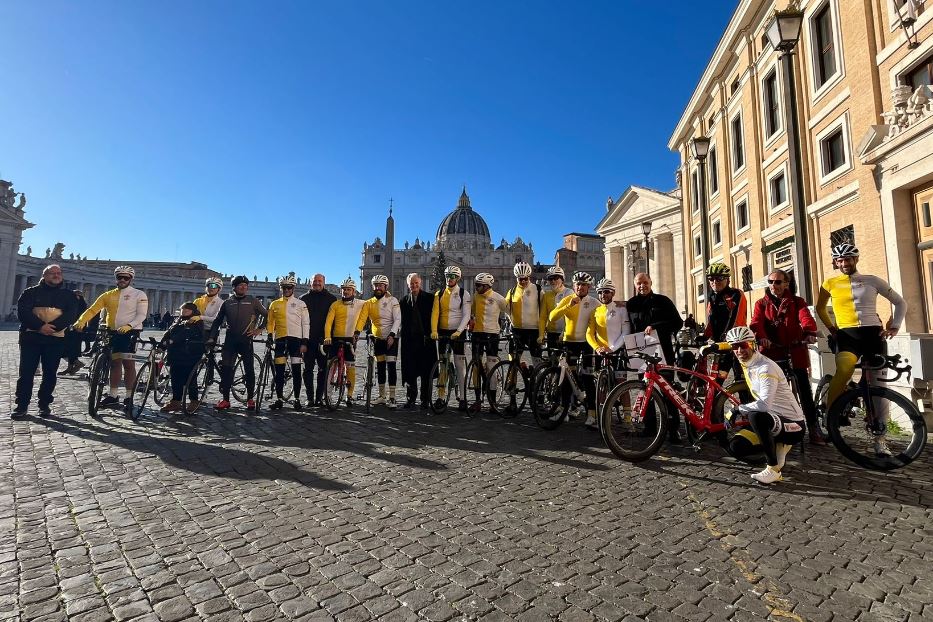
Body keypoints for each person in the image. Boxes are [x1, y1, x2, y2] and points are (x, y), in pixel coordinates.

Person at [815, 243, 906, 456]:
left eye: (848, 259)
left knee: (878, 388)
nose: (844, 264)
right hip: (847, 336)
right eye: (840, 260)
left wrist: (894, 326)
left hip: (873, 335)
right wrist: (831, 327)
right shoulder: (830, 282)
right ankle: (830, 413)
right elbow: (820, 308)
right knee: (845, 369)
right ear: (835, 263)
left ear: (856, 259)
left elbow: (900, 303)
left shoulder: (872, 280)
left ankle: (880, 439)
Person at [720, 326, 806, 485]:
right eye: (734, 346)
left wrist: (737, 409)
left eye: (743, 345)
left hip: (793, 424)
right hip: (773, 420)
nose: (739, 350)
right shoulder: (746, 363)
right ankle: (777, 444)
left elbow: (764, 405)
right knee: (735, 447)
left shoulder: (765, 367)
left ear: (752, 344)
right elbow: (723, 345)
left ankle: (773, 469)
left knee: (755, 414)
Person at [750, 268, 824, 445]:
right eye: (770, 282)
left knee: (804, 390)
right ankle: (773, 426)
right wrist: (762, 337)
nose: (773, 285)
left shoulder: (797, 302)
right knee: (770, 391)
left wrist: (808, 331)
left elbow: (805, 317)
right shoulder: (761, 303)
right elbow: (756, 322)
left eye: (777, 282)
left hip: (794, 350)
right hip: (771, 352)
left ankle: (813, 427)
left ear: (786, 283)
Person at [74, 266, 148, 414]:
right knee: (114, 364)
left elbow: (141, 315)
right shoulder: (107, 295)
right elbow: (93, 310)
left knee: (128, 364)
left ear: (131, 279)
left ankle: (128, 396)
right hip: (111, 331)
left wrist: (130, 325)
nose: (122, 280)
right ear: (116, 278)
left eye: (126, 277)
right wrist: (81, 321)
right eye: (119, 277)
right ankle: (113, 395)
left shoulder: (139, 294)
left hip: (130, 332)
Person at [12, 265, 81, 418]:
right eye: (52, 273)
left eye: (59, 273)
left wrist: (52, 328)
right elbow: (23, 312)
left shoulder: (69, 295)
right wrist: (40, 326)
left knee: (50, 373)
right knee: (26, 372)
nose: (56, 275)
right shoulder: (30, 292)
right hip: (31, 338)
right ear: (44, 276)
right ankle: (21, 405)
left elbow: (71, 315)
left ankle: (44, 404)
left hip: (55, 339)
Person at [208, 275, 267, 411]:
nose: (243, 288)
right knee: (227, 370)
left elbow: (267, 315)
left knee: (249, 369)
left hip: (246, 340)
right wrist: (212, 337)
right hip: (231, 340)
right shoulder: (227, 303)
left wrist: (259, 328)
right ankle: (225, 400)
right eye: (240, 285)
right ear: (234, 287)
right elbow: (217, 321)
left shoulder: (253, 301)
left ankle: (250, 398)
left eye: (245, 286)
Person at [549, 271, 600, 428]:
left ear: (589, 286)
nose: (580, 287)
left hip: (586, 344)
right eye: (578, 284)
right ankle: (564, 410)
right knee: (566, 379)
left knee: (587, 378)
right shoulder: (567, 299)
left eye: (584, 284)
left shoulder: (594, 303)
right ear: (574, 285)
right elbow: (552, 316)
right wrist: (568, 306)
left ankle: (592, 413)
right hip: (569, 343)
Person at [430, 266, 472, 411]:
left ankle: (463, 397)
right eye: (448, 276)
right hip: (443, 332)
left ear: (458, 278)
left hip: (458, 333)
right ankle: (441, 397)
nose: (450, 279)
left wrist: (459, 331)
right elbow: (435, 313)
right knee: (443, 366)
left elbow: (466, 314)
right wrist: (434, 330)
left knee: (460, 366)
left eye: (453, 276)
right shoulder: (439, 293)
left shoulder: (463, 293)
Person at [266, 275, 310, 410]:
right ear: (281, 288)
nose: (286, 290)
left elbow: (306, 323)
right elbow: (270, 322)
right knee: (279, 372)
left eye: (289, 287)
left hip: (296, 341)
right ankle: (279, 399)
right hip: (280, 340)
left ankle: (297, 399)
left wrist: (305, 342)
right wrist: (269, 335)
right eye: (284, 287)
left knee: (296, 371)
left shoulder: (300, 303)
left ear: (293, 288)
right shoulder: (274, 304)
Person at [323, 277, 368, 407]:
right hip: (335, 339)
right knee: (331, 368)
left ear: (354, 291)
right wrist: (327, 336)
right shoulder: (335, 304)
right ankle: (328, 395)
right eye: (344, 290)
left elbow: (372, 303)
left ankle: (349, 395)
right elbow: (328, 322)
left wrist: (358, 331)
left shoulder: (360, 303)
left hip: (350, 339)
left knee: (350, 368)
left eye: (348, 290)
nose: (345, 292)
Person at [360, 275, 402, 409]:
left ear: (386, 287)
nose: (378, 287)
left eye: (380, 285)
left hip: (391, 338)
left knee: (391, 367)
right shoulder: (369, 302)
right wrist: (357, 332)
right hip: (377, 339)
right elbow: (362, 319)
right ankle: (382, 396)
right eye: (375, 285)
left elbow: (397, 319)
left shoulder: (393, 300)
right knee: (381, 367)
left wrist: (392, 335)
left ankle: (393, 398)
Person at [626, 273, 683, 366]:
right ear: (635, 285)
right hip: (641, 353)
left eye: (645, 282)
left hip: (663, 352)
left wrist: (655, 327)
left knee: (665, 380)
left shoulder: (663, 301)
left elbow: (677, 323)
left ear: (651, 283)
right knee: (643, 380)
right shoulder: (630, 304)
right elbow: (628, 327)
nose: (642, 286)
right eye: (639, 283)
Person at [470, 273, 508, 412]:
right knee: (475, 366)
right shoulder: (474, 297)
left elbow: (509, 312)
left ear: (487, 286)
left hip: (492, 335)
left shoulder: (498, 298)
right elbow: (470, 312)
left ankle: (492, 401)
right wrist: (471, 319)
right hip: (477, 334)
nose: (477, 287)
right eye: (476, 285)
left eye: (479, 285)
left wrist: (513, 329)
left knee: (492, 366)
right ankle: (477, 399)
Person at [159, 302, 205, 414]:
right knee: (175, 378)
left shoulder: (196, 321)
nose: (184, 312)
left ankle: (194, 400)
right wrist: (161, 345)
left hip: (190, 353)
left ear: (192, 311)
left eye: (187, 310)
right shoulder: (177, 321)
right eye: (182, 309)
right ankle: (176, 400)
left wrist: (173, 340)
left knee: (190, 377)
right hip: (176, 354)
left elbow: (187, 333)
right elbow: (169, 332)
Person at [400, 273, 436, 409]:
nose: (414, 285)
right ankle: (411, 398)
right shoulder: (403, 301)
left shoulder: (430, 298)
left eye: (416, 283)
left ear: (420, 283)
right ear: (408, 285)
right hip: (410, 341)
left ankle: (425, 399)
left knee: (426, 371)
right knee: (410, 371)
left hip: (426, 341)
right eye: (411, 284)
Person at [300, 273, 337, 408]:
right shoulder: (303, 299)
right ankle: (310, 398)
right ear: (311, 283)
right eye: (314, 281)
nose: (317, 283)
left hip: (324, 342)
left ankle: (319, 397)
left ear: (324, 283)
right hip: (308, 341)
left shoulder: (332, 299)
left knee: (323, 370)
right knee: (307, 370)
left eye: (319, 281)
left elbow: (334, 322)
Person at [505, 261, 545, 367]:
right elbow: (505, 307)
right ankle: (512, 381)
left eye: (525, 279)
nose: (523, 281)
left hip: (534, 330)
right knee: (513, 360)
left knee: (537, 361)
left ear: (529, 277)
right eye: (520, 279)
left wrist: (543, 331)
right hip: (517, 330)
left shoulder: (538, 289)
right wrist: (511, 320)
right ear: (516, 278)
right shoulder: (512, 291)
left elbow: (544, 310)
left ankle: (537, 381)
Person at [587, 278, 631, 356]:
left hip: (617, 351)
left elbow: (626, 331)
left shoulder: (622, 309)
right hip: (600, 352)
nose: (603, 295)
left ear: (613, 293)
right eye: (600, 292)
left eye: (606, 292)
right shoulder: (595, 311)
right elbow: (589, 333)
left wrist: (612, 349)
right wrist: (597, 348)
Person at [540, 266, 572, 349]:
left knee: (564, 361)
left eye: (556, 278)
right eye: (550, 279)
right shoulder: (547, 295)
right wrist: (541, 334)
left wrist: (564, 332)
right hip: (551, 333)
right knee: (552, 360)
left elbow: (570, 317)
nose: (553, 281)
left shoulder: (569, 293)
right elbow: (543, 317)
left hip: (565, 333)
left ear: (562, 279)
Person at [59, 289, 89, 376]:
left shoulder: (79, 305)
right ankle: (70, 367)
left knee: (69, 348)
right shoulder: (78, 304)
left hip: (75, 329)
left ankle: (77, 364)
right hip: (72, 329)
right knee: (71, 349)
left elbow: (76, 316)